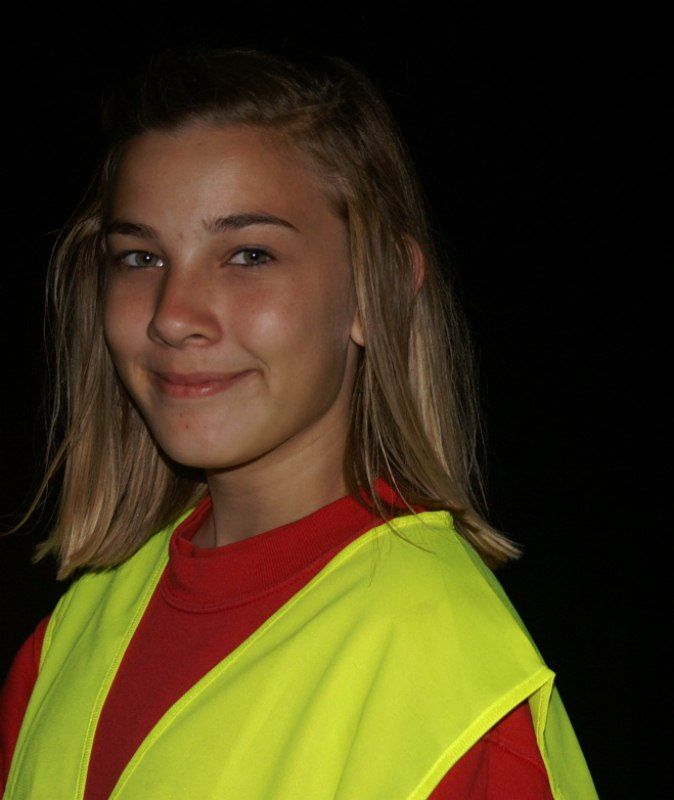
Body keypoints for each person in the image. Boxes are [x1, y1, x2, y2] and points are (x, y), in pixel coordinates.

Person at [0, 45, 598, 799]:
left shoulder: (457, 691)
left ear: (376, 287)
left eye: (249, 255)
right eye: (140, 258)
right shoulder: (70, 638)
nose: (173, 316)